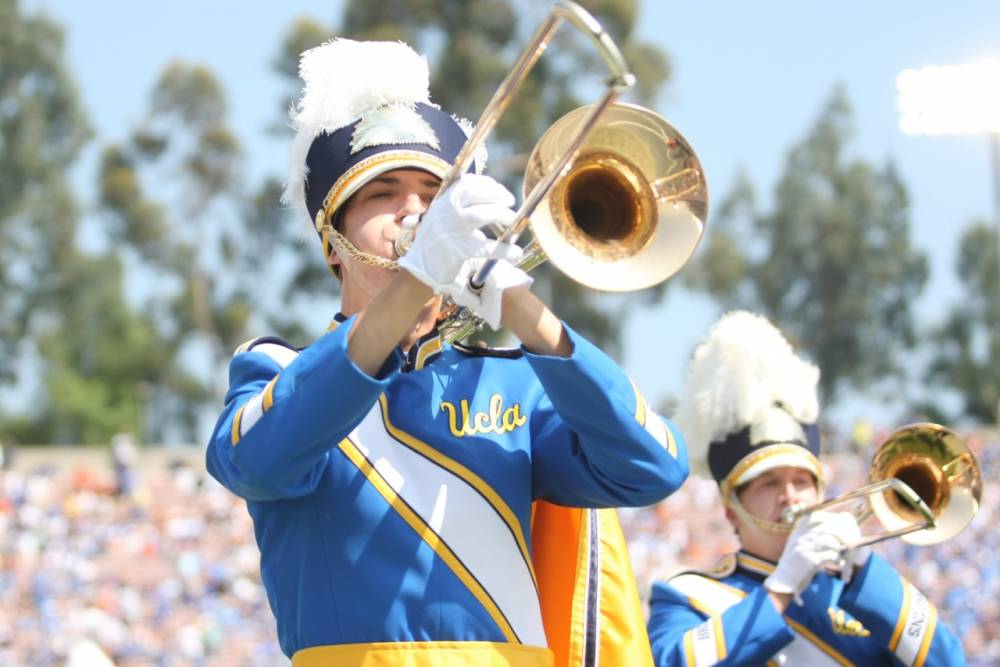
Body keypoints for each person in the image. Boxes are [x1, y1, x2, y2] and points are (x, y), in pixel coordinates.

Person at [205, 38, 688, 666]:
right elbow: (253, 462)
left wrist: (519, 305)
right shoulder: (276, 370)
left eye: (434, 196)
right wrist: (415, 280)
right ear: (332, 243)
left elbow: (653, 466)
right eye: (383, 194)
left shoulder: (516, 386)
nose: (414, 210)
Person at [646, 311, 966, 666]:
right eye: (769, 483)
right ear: (731, 510)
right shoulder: (688, 594)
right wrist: (780, 588)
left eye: (801, 481)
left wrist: (863, 569)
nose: (790, 495)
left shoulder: (864, 592)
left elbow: (949, 661)